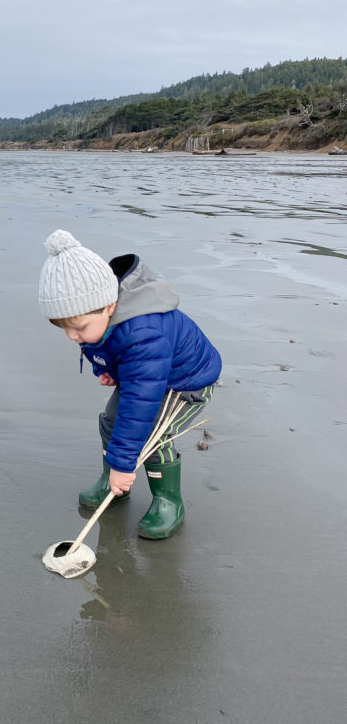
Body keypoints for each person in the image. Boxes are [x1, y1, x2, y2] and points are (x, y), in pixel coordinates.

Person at [38, 228, 222, 539]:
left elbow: (141, 403)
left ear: (109, 306)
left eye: (78, 328)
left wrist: (126, 465)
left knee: (151, 437)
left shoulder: (144, 332)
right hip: (146, 377)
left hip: (185, 384)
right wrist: (110, 371)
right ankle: (112, 483)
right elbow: (108, 348)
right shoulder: (99, 318)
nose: (72, 337)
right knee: (111, 422)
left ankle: (168, 501)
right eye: (65, 329)